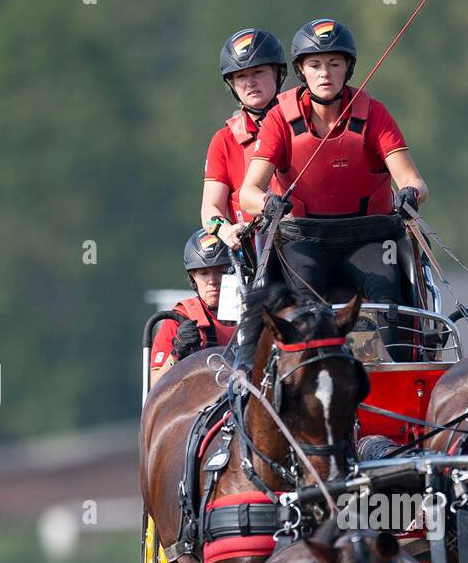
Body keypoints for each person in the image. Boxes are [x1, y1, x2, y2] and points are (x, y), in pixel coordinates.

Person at [239, 19, 428, 359]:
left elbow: (413, 180)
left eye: (334, 64)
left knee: (387, 301)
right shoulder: (280, 119)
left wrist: (410, 194)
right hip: (303, 238)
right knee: (305, 305)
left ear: (348, 69)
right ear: (301, 71)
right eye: (315, 65)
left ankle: (402, 368)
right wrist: (267, 203)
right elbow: (248, 191)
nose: (324, 73)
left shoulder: (375, 115)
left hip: (368, 238)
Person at [202, 28, 287, 250]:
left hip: (306, 241)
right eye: (241, 76)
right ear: (232, 84)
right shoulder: (224, 140)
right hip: (253, 254)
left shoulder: (303, 124)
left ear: (278, 74)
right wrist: (225, 229)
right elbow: (210, 210)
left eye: (258, 72)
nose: (250, 82)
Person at [149, 231, 236, 387]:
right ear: (193, 278)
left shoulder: (254, 313)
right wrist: (177, 352)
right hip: (199, 404)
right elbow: (154, 385)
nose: (212, 281)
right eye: (204, 273)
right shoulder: (179, 320)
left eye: (221, 271)